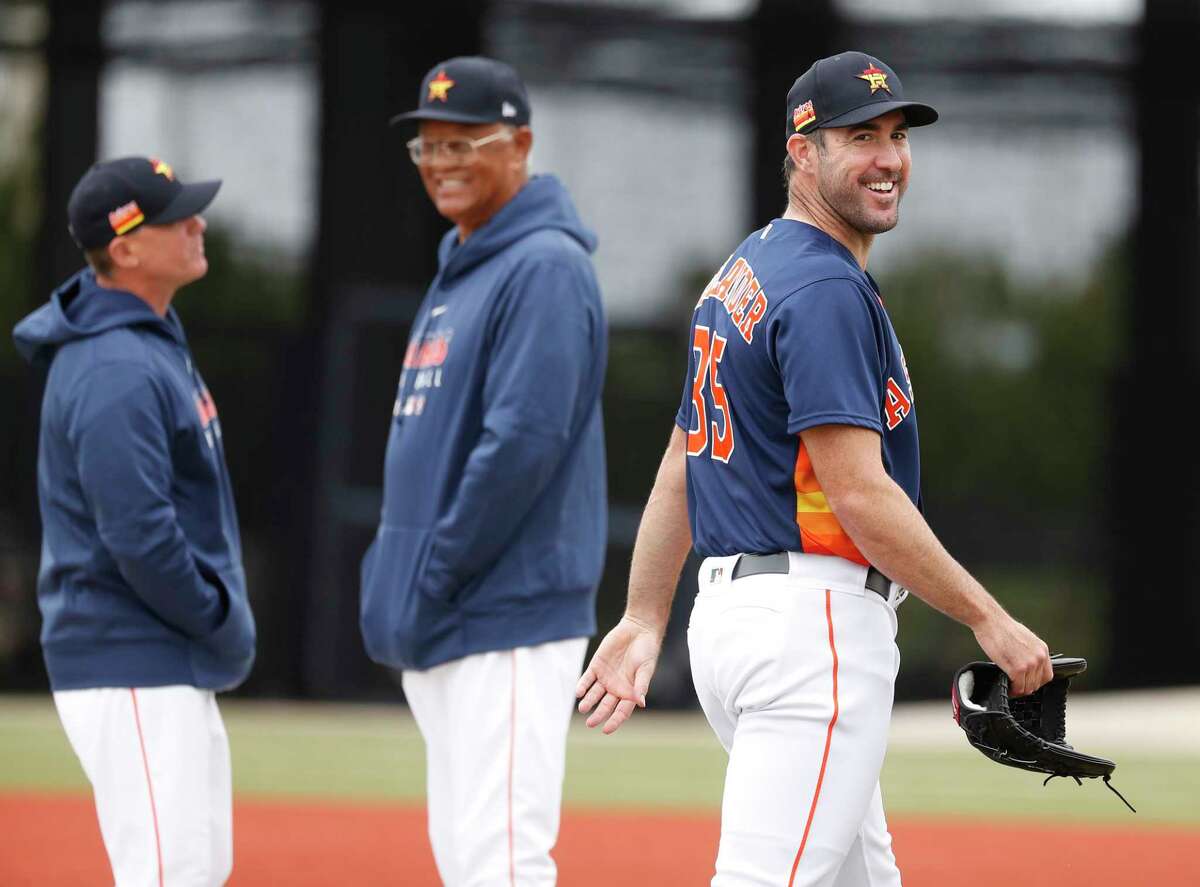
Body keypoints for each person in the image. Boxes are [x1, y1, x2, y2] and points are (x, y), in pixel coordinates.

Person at [575, 52, 1054, 887]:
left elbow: (679, 466)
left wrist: (648, 614)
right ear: (802, 152)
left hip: (740, 624)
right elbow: (860, 495)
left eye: (898, 135)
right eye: (859, 135)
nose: (889, 157)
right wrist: (990, 619)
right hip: (812, 632)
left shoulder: (742, 273)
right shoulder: (825, 289)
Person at [360, 56, 608, 886]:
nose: (443, 162)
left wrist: (434, 567)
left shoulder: (543, 264)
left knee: (501, 853)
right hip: (453, 602)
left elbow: (523, 443)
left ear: (522, 144)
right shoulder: (464, 264)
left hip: (507, 604)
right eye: (429, 147)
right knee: (468, 851)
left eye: (466, 142)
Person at [12, 156, 255, 887]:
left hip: (155, 658)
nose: (197, 223)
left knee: (196, 868)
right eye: (176, 216)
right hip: (132, 656)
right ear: (124, 248)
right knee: (168, 873)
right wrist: (214, 612)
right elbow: (138, 534)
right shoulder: (116, 365)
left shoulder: (146, 340)